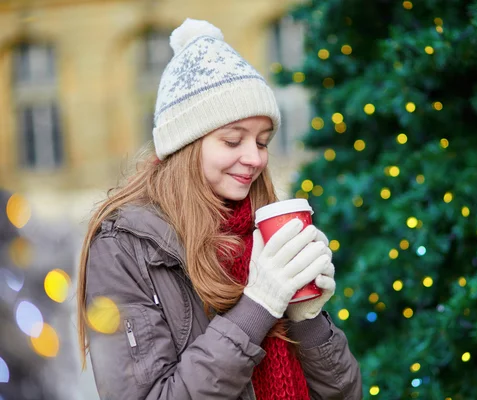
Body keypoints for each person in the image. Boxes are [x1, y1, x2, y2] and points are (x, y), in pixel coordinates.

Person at [76, 19, 362, 400]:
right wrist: (258, 305)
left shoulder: (265, 227)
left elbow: (346, 394)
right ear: (186, 145)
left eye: (262, 142)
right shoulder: (125, 246)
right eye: (232, 140)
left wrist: (307, 317)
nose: (254, 158)